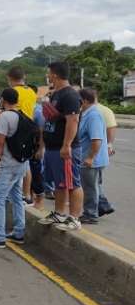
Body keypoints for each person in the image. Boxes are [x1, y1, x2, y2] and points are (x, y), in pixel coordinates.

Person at [38, 62, 84, 231]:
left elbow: (73, 121)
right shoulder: (56, 94)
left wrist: (67, 145)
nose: (48, 76)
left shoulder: (70, 95)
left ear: (55, 75)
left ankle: (74, 218)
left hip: (63, 148)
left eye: (49, 73)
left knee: (73, 183)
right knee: (60, 183)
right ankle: (59, 213)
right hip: (52, 148)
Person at [0, 88, 28, 248]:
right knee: (16, 196)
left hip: (8, 165)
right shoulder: (22, 115)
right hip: (21, 163)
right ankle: (19, 232)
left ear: (3, 100)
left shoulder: (5, 117)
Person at [78, 89, 110, 224]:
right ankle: (102, 207)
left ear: (85, 101)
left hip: (91, 159)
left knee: (89, 188)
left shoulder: (93, 116)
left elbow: (96, 139)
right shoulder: (86, 114)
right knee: (94, 185)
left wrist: (91, 157)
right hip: (88, 157)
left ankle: (90, 214)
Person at [7, 66, 38, 202]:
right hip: (29, 128)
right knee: (26, 163)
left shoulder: (12, 91)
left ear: (9, 78)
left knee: (10, 162)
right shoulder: (31, 91)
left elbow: (9, 110)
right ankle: (27, 195)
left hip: (15, 129)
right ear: (23, 77)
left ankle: (12, 193)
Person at [94, 96, 116, 216]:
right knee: (96, 179)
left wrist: (108, 146)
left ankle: (102, 204)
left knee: (94, 180)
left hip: (96, 151)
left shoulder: (101, 111)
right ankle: (102, 204)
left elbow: (111, 128)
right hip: (97, 151)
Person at [28, 85, 47, 210]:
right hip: (25, 146)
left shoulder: (38, 111)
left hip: (35, 146)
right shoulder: (25, 108)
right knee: (27, 172)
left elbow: (42, 131)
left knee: (35, 172)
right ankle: (30, 197)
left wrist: (40, 149)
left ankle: (39, 198)